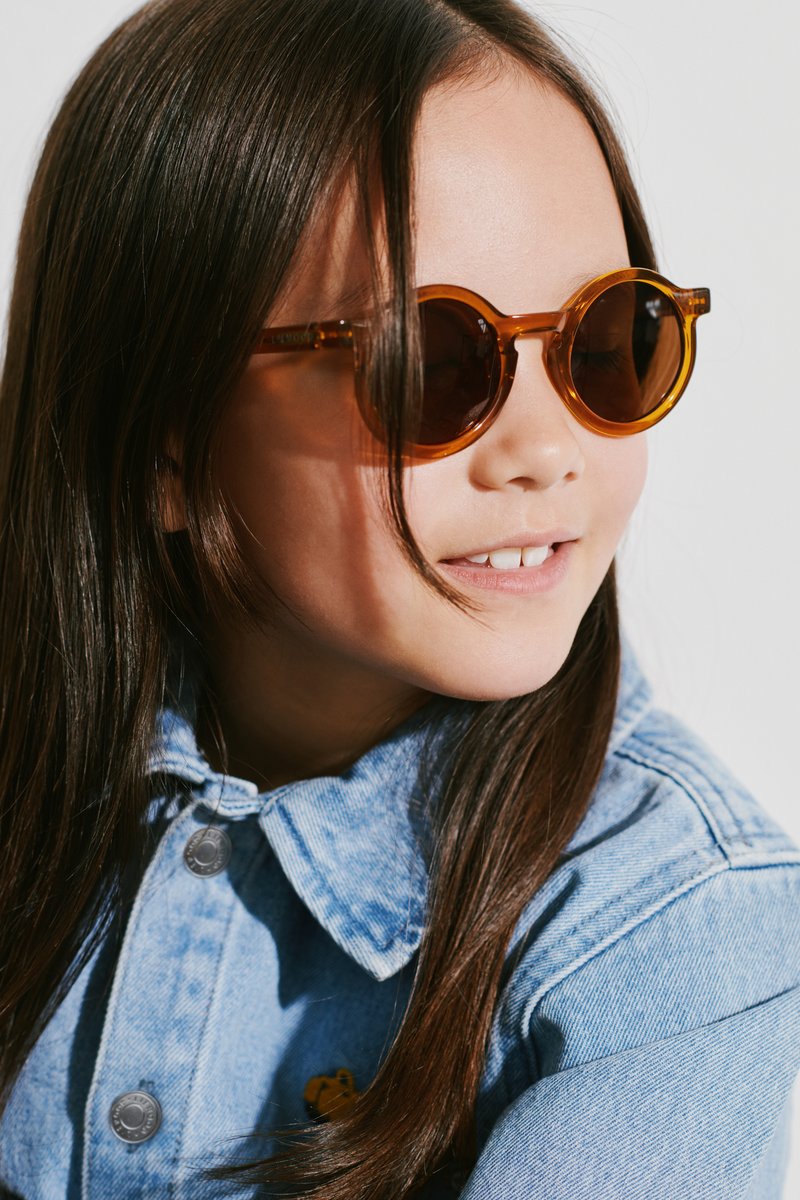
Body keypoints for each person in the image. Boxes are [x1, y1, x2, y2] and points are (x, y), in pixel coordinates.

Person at [0, 0, 797, 1196]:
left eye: (605, 340)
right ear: (163, 443)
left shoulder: (678, 931)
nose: (543, 450)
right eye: (426, 363)